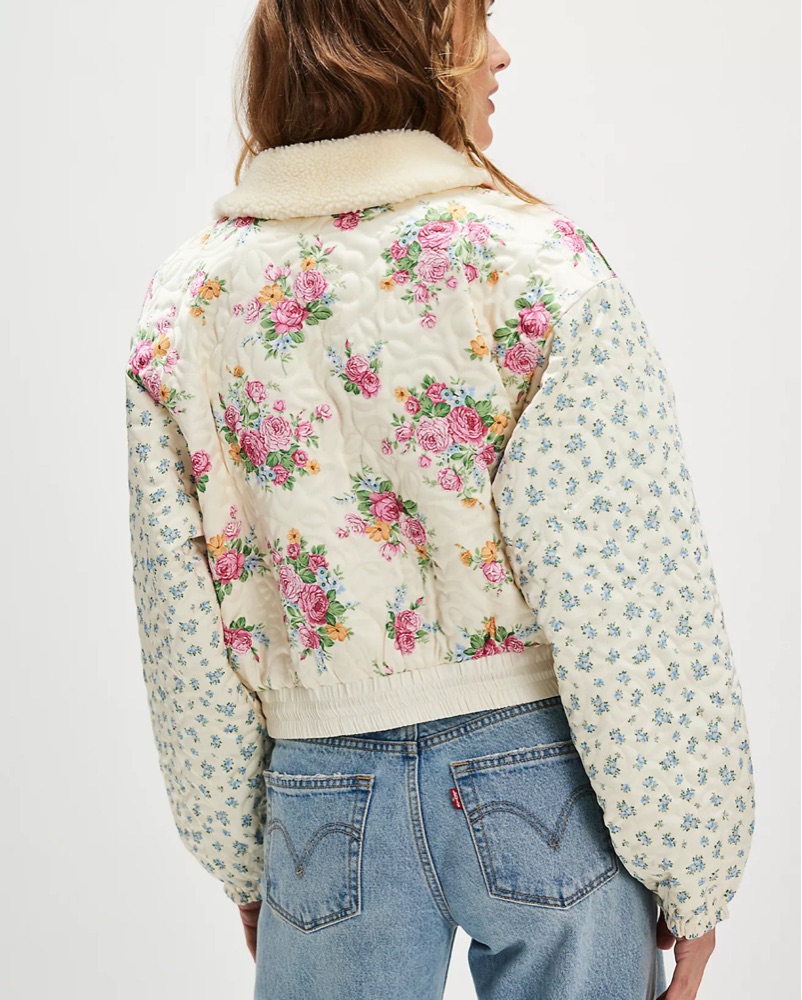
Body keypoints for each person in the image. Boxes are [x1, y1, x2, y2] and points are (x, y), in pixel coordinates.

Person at [124, 1, 756, 997]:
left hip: (321, 790)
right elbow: (628, 600)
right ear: (403, 38)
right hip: (545, 781)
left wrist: (243, 856)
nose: (501, 54)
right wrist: (694, 863)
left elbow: (181, 632)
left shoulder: (188, 303)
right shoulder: (543, 269)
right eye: (475, 19)